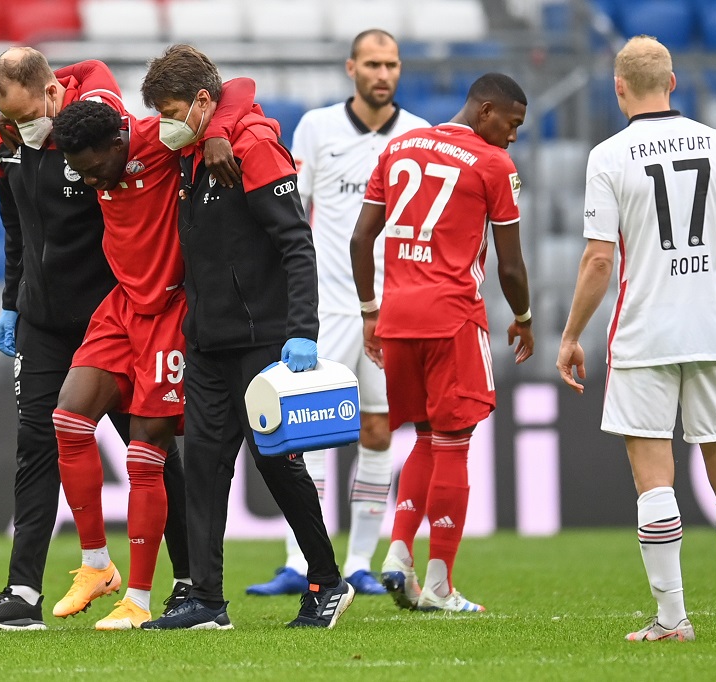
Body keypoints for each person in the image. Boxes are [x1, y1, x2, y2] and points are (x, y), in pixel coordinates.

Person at [0, 48, 196, 632]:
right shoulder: (8, 141)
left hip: (109, 317)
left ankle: (190, 583)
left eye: (25, 114)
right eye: (5, 115)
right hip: (41, 320)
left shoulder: (93, 129)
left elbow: (104, 81)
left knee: (150, 447)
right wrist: (12, 304)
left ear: (52, 94)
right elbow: (16, 230)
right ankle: (23, 594)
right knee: (37, 444)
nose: (17, 126)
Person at [555, 35, 716, 642]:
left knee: (655, 478)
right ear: (673, 83)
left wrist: (572, 333)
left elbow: (599, 261)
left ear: (618, 87)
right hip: (709, 329)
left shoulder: (608, 155)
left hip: (643, 332)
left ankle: (673, 619)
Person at [137, 44, 354, 630]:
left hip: (264, 338)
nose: (166, 124)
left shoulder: (253, 144)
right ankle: (207, 601)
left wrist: (302, 332)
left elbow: (295, 243)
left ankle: (327, 582)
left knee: (279, 465)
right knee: (203, 467)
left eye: (174, 110)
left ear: (204, 101)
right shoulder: (195, 148)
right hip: (208, 340)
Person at [49, 75, 255, 630]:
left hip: (171, 309)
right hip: (122, 304)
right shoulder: (92, 128)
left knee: (147, 449)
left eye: (95, 169)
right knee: (68, 419)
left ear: (120, 145)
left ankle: (138, 601)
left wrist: (221, 131)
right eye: (82, 173)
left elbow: (238, 85)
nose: (91, 180)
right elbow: (87, 69)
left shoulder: (160, 140)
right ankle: (97, 565)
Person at [246, 29, 430, 598]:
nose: (383, 74)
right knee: (309, 432)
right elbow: (293, 214)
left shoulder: (420, 135)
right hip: (325, 302)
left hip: (390, 307)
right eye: (373, 63)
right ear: (351, 67)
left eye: (392, 64)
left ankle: (359, 563)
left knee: (377, 429)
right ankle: (300, 561)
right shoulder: (317, 127)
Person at [350, 73, 533, 613]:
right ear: (486, 111)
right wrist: (522, 316)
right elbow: (512, 263)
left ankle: (399, 553)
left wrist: (368, 312)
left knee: (427, 436)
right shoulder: (493, 164)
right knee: (456, 441)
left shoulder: (399, 145)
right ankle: (440, 584)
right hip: (451, 317)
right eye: (513, 123)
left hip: (397, 318)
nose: (515, 135)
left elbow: (361, 238)